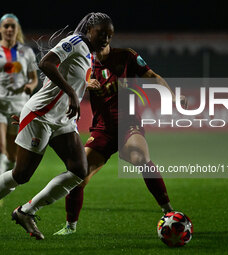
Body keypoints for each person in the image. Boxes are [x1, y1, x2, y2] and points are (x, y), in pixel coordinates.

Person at [0, 12, 114, 240]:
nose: (106, 39)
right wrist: (71, 93)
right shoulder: (74, 42)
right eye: (102, 33)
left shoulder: (89, 54)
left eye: (110, 35)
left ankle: (26, 211)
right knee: (22, 174)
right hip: (41, 115)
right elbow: (46, 63)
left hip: (63, 119)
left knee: (79, 170)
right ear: (89, 30)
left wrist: (82, 88)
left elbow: (69, 77)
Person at [53, 44, 188, 235]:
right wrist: (84, 84)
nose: (102, 43)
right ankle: (70, 227)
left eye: (105, 37)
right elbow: (65, 89)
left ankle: (169, 212)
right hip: (102, 130)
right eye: (97, 38)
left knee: (141, 156)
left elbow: (152, 76)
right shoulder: (84, 64)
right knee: (78, 175)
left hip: (129, 124)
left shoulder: (126, 56)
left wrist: (172, 97)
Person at [0, 13, 38, 206]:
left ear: (17, 29)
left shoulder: (27, 52)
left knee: (12, 156)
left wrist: (30, 86)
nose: (9, 29)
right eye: (6, 26)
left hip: (19, 106)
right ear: (0, 29)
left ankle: (1, 189)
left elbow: (34, 78)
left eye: (13, 26)